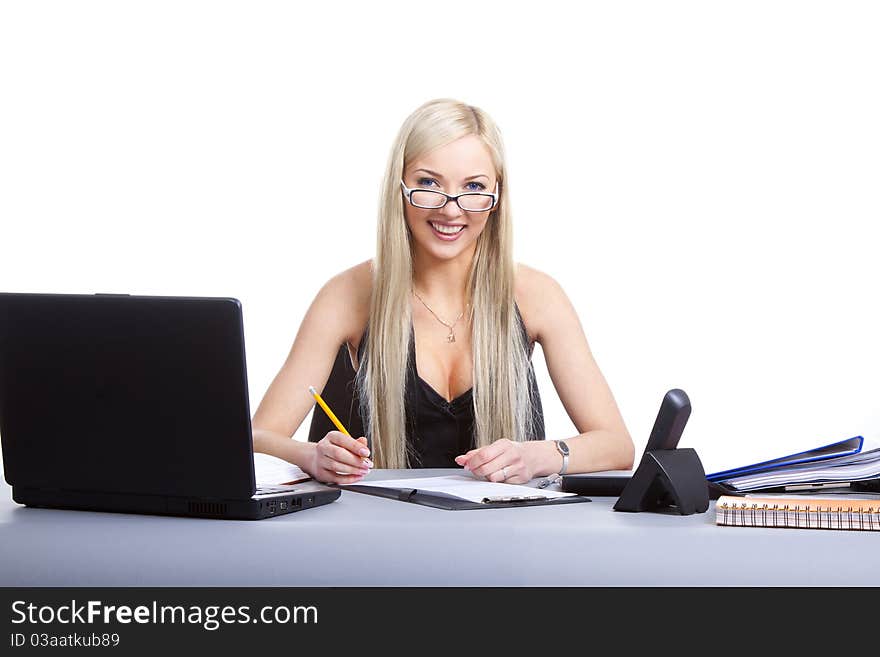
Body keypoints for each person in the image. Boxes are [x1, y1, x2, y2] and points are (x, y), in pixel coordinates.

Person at [251, 98, 634, 485]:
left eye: (473, 186)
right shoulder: (346, 295)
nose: (451, 209)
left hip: (504, 537)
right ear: (399, 189)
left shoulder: (538, 296)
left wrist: (538, 456)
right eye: (429, 183)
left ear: (497, 198)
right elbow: (256, 438)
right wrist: (310, 456)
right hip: (375, 536)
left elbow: (617, 446)